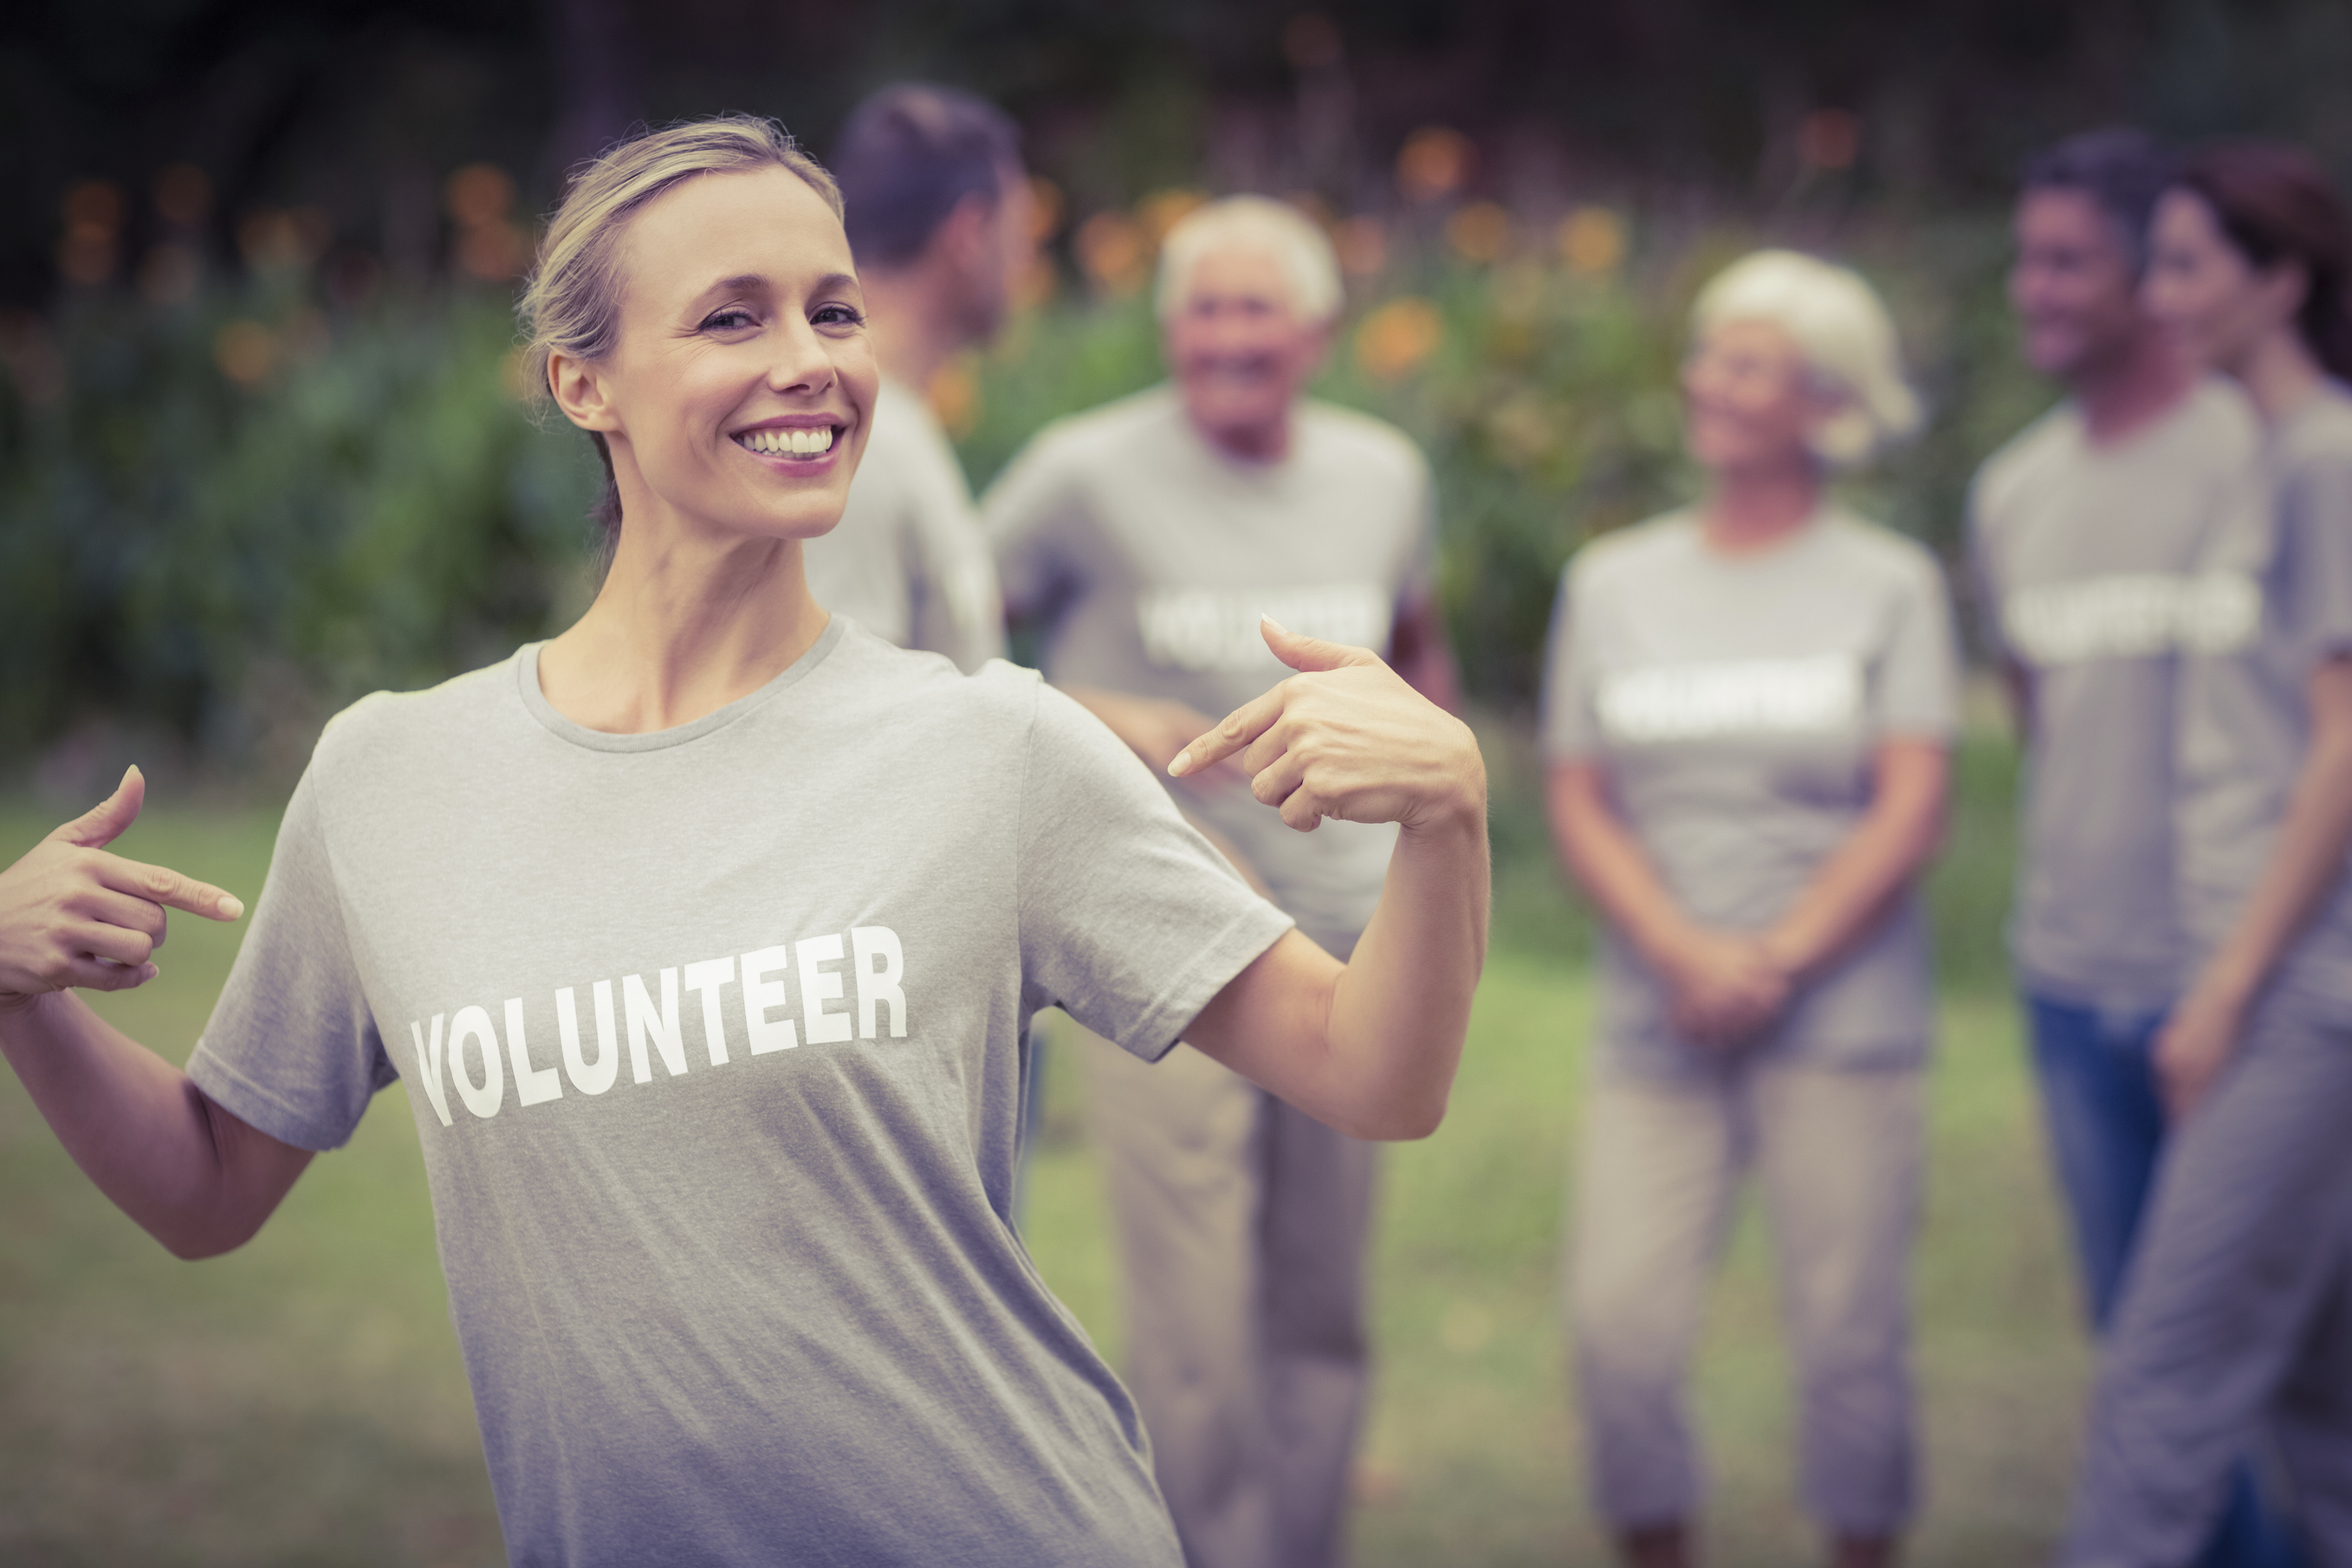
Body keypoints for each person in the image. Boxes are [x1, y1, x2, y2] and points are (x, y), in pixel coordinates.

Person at [0, 117, 1492, 1568]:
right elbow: (204, 1191)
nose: (812, 361)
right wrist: (23, 997)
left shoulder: (996, 749)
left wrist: (1448, 819)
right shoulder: (389, 780)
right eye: (732, 317)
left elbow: (1375, 1074)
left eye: (835, 310)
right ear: (583, 381)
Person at [982, 194, 1460, 1568]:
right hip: (1164, 956)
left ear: (1316, 329)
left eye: (1257, 309)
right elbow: (936, 642)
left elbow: (1420, 660)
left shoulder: (1384, 475)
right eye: (1202, 307)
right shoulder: (1081, 471)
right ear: (1165, 324)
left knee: (1321, 1307)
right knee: (1194, 1329)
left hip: (1352, 939)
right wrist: (1097, 712)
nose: (1227, 336)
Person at [1544, 249, 1956, 1568]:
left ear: (1823, 401)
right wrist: (1678, 949)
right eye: (1707, 352)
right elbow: (1575, 793)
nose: (1705, 381)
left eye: (1745, 361)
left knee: (1846, 1339)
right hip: (1654, 1014)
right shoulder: (1611, 584)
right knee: (1617, 1330)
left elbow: (1909, 803)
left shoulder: (1890, 583)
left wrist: (1770, 958)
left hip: (1840, 1018)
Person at [1967, 129, 2291, 1568]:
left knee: (2247, 1368)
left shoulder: (2264, 456)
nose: (2033, 289)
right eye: (2026, 257)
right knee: (2139, 1350)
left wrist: (2238, 977)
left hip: (2249, 989)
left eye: (2068, 262)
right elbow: (2042, 715)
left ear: (2150, 279)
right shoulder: (2012, 495)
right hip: (2071, 983)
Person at [2063, 139, 2352, 1568]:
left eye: (2187, 265)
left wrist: (2228, 988)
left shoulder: (2330, 458)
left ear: (2283, 282)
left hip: (2303, 993)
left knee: (2161, 1389)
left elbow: (2346, 745)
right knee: (2315, 1394)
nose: (2157, 293)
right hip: (2271, 978)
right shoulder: (2265, 459)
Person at [803, 81, 1024, 671]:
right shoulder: (859, 437)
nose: (1026, 262)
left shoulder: (892, 422)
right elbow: (840, 705)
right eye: (1020, 235)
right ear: (970, 235)